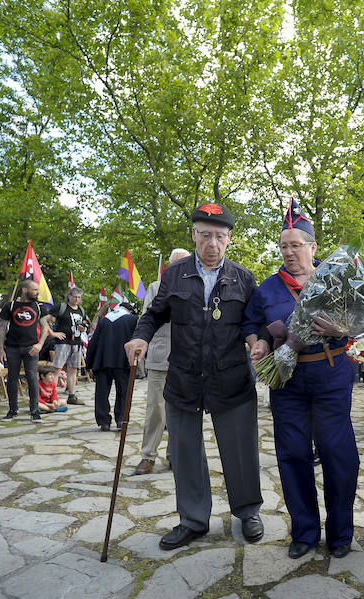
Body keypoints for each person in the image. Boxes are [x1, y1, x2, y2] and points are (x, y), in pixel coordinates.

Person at [125, 203, 263, 551]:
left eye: (219, 236)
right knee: (185, 450)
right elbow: (153, 314)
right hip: (184, 376)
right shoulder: (173, 276)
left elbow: (255, 322)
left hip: (230, 378)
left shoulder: (244, 278)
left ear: (229, 239)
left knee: (240, 450)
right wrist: (140, 336)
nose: (212, 243)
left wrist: (258, 340)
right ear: (193, 235)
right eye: (205, 235)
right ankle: (193, 519)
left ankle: (247, 511)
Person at [244, 200, 359, 559]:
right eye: (284, 246)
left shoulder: (340, 278)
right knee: (292, 453)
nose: (290, 252)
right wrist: (259, 342)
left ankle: (340, 534)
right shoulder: (268, 287)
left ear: (312, 247)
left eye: (296, 245)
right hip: (288, 378)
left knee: (337, 453)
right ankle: (305, 532)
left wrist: (344, 327)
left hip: (330, 372)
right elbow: (252, 323)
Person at [135, 248, 190, 474]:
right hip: (161, 357)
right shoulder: (156, 288)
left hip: (188, 359)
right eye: (176, 264)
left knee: (182, 411)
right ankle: (148, 455)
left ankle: (175, 456)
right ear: (169, 266)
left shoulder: (196, 287)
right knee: (156, 410)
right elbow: (147, 318)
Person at [0, 280, 51, 422]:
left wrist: (40, 344)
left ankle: (35, 410)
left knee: (32, 377)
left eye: (37, 290)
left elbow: (45, 327)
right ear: (24, 290)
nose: (37, 292)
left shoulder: (39, 307)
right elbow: (2, 329)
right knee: (12, 378)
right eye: (34, 290)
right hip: (12, 347)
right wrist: (0, 349)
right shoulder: (10, 306)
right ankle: (12, 410)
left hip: (32, 348)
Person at [86, 302, 138, 431]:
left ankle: (104, 421)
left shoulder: (104, 320)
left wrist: (89, 362)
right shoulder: (133, 320)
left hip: (102, 361)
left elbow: (93, 341)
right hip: (123, 361)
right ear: (130, 311)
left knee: (102, 393)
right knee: (123, 392)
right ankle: (121, 419)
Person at [45, 286, 88, 406]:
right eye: (75, 297)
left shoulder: (81, 310)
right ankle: (51, 396)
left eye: (79, 297)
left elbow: (85, 324)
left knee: (73, 370)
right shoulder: (62, 307)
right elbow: (44, 319)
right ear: (69, 296)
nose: (77, 299)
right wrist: (53, 333)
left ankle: (72, 396)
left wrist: (83, 328)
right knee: (57, 369)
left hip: (76, 343)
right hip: (63, 343)